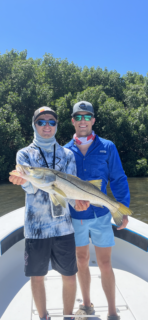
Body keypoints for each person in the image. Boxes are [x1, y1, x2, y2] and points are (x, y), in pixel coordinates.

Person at [9, 106, 88, 320]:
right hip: (35, 228)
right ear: (34, 125)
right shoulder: (24, 154)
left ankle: (68, 316)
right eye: (41, 122)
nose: (47, 126)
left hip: (64, 226)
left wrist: (78, 203)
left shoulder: (68, 154)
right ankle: (43, 317)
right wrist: (23, 182)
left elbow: (71, 192)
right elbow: (30, 187)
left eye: (52, 122)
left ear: (57, 126)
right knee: (37, 277)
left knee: (70, 275)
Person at [65, 101, 130, 320]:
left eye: (87, 117)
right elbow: (63, 189)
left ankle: (112, 311)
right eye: (78, 117)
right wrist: (73, 202)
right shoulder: (64, 151)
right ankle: (86, 304)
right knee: (81, 260)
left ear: (93, 120)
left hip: (103, 214)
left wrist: (121, 209)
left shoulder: (107, 146)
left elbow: (118, 178)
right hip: (77, 217)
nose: (82, 121)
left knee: (104, 263)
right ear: (73, 121)